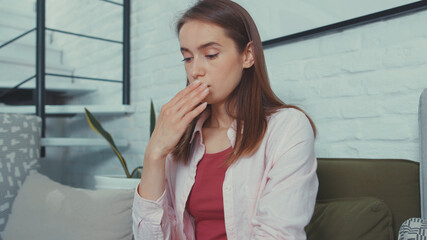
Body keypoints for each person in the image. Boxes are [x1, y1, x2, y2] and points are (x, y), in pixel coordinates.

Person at [132, 0, 318, 239]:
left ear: (248, 55)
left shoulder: (287, 128)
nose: (195, 71)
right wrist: (154, 153)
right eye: (187, 58)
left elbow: (278, 235)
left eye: (210, 54)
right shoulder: (179, 138)